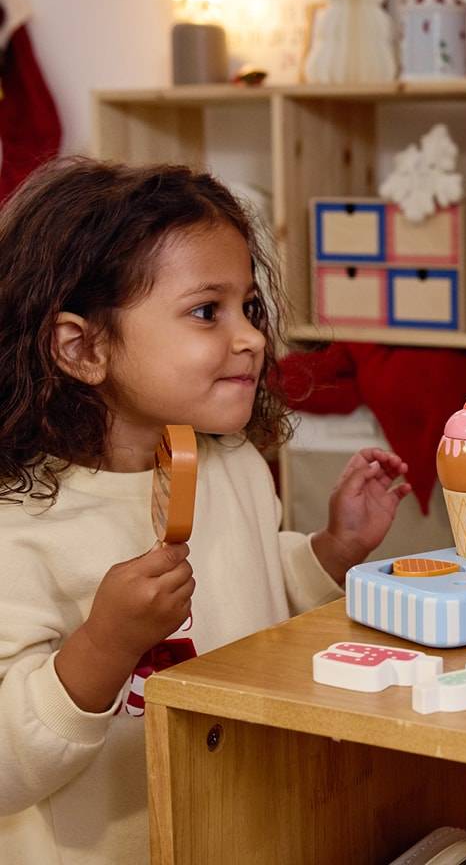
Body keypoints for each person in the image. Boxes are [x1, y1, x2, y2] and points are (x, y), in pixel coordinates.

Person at [0, 158, 414, 861]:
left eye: (249, 307)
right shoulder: (19, 526)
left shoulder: (234, 467)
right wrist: (104, 645)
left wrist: (328, 551)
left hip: (241, 828)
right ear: (82, 347)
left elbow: (244, 586)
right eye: (206, 311)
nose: (251, 336)